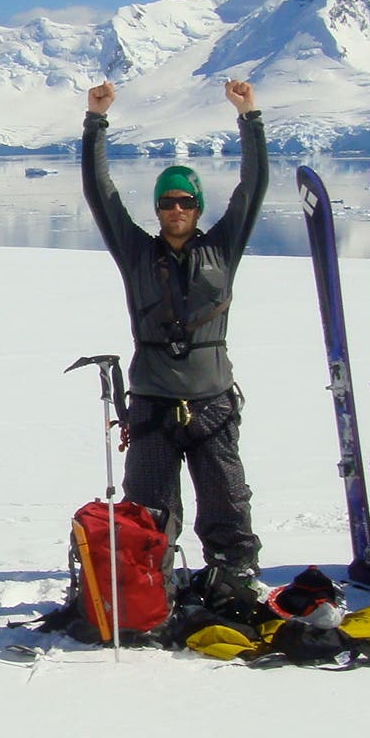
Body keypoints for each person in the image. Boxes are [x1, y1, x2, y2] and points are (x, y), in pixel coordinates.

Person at [82, 79, 268, 593]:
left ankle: (235, 579)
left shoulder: (222, 250)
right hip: (152, 407)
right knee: (147, 513)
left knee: (227, 503)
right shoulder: (137, 254)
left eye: (185, 201)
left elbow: (252, 190)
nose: (177, 209)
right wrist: (96, 122)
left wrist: (249, 118)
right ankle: (147, 587)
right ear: (159, 210)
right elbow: (102, 196)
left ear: (197, 206)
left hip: (212, 402)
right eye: (167, 203)